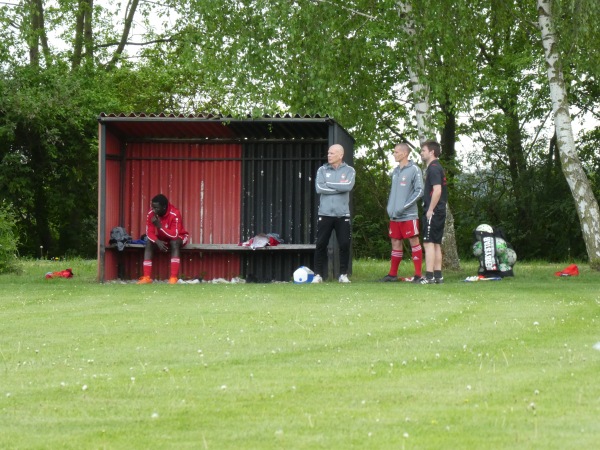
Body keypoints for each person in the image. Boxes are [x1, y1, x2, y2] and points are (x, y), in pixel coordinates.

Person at [379, 143, 424, 282]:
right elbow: (393, 193)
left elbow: (420, 191)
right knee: (395, 241)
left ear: (404, 154)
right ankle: (392, 275)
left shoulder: (415, 169)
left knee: (413, 241)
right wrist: (390, 207)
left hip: (409, 215)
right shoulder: (395, 171)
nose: (394, 154)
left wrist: (404, 206)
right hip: (394, 215)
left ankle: (418, 275)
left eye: (396, 151)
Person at [312, 144, 356, 283]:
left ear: (340, 155)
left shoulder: (349, 170)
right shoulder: (322, 169)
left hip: (342, 214)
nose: (329, 155)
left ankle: (343, 275)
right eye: (328, 153)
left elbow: (348, 186)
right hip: (324, 214)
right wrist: (339, 187)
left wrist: (329, 184)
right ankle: (318, 275)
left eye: (332, 153)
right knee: (320, 244)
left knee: (344, 244)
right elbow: (319, 188)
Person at [137, 194, 190, 284]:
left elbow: (174, 235)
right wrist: (157, 241)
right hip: (162, 238)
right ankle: (146, 277)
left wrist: (160, 227)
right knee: (149, 242)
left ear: (164, 207)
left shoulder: (175, 213)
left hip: (179, 237)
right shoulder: (151, 214)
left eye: (156, 208)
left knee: (174, 243)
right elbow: (149, 233)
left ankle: (173, 278)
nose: (153, 210)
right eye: (152, 207)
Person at [419, 140, 448, 284]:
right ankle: (438, 276)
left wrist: (430, 209)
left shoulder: (434, 168)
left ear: (431, 152)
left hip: (434, 211)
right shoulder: (437, 167)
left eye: (423, 150)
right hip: (439, 210)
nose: (421, 153)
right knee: (436, 243)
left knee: (428, 242)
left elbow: (437, 190)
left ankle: (429, 276)